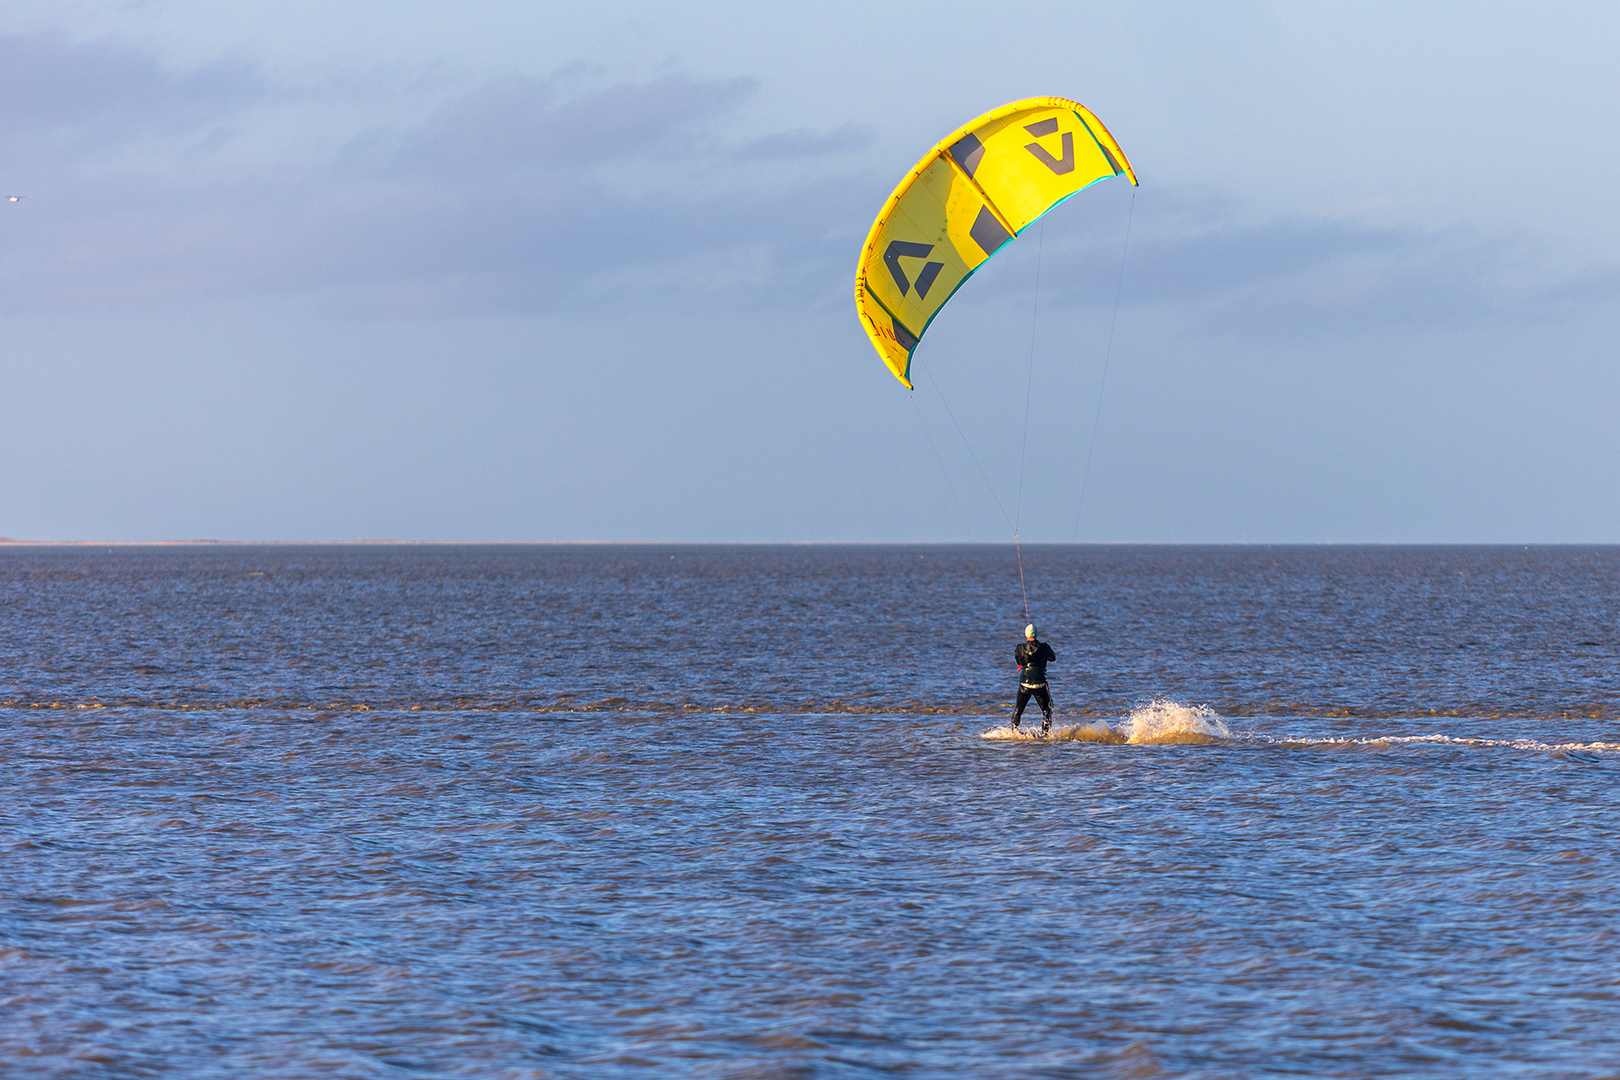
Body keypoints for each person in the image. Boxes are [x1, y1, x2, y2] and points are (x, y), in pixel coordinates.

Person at [1013, 623, 1056, 734]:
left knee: (1018, 711)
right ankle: (1046, 735)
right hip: (1040, 685)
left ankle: (1013, 732)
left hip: (1024, 685)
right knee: (1047, 711)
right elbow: (1053, 658)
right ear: (1036, 634)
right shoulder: (1045, 647)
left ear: (1026, 635)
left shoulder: (1020, 648)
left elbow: (1019, 661)